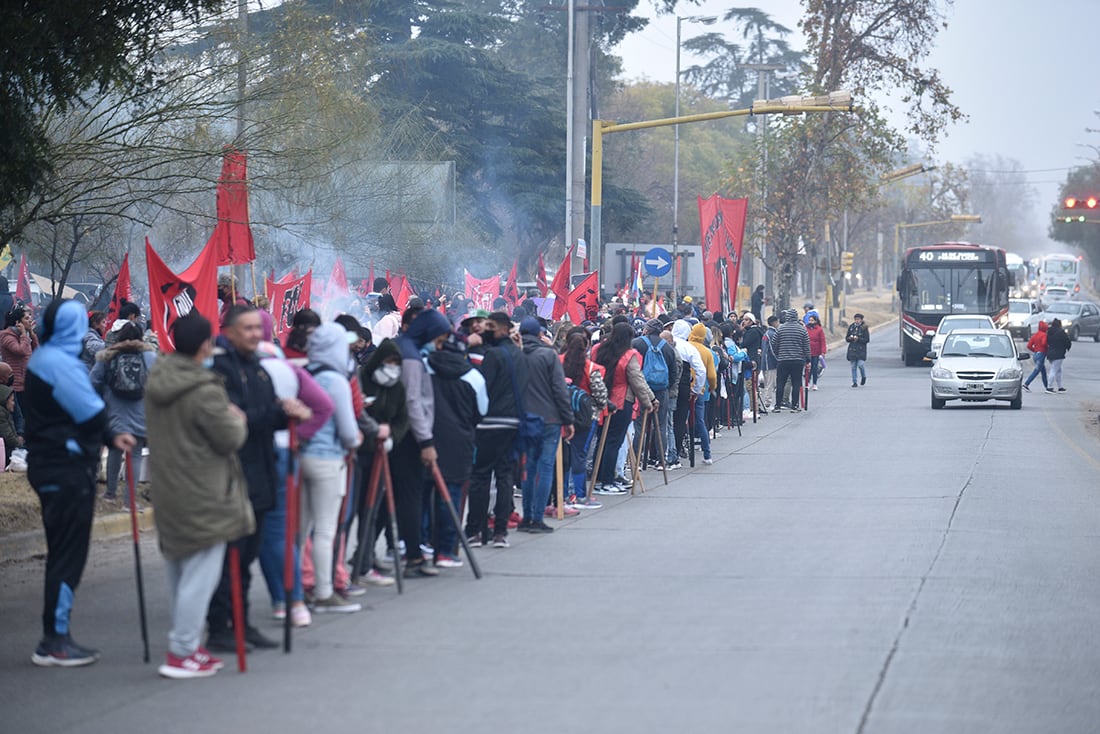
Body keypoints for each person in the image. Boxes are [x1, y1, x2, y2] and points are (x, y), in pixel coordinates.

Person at [24, 299, 137, 667]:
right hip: (66, 469)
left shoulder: (44, 357)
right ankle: (55, 640)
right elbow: (90, 413)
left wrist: (110, 435)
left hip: (51, 465)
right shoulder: (60, 364)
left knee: (62, 552)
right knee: (68, 555)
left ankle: (54, 637)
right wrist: (108, 431)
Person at [145, 311, 253, 679]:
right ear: (205, 344)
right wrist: (236, 417)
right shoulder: (204, 389)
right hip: (203, 491)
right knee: (200, 576)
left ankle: (187, 645)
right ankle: (181, 651)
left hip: (169, 487)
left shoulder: (159, 377)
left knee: (180, 571)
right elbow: (230, 438)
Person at [206, 305, 311, 652]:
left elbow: (265, 417)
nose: (254, 333)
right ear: (230, 330)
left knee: (247, 556)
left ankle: (242, 620)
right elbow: (236, 421)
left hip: (263, 469)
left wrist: (287, 414)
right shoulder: (220, 370)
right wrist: (276, 413)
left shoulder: (259, 369)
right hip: (235, 474)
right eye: (246, 328)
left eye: (257, 328)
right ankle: (220, 627)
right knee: (230, 556)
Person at [300, 323, 365, 612]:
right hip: (329, 459)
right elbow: (349, 430)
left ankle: (296, 590)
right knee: (326, 530)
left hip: (300, 456)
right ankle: (324, 592)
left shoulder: (303, 372)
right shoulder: (336, 380)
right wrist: (357, 438)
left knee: (300, 532)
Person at [393, 307, 453, 576]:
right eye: (438, 340)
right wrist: (426, 442)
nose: (439, 346)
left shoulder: (404, 348)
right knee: (410, 497)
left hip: (402, 434)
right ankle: (414, 557)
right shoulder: (411, 357)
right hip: (409, 438)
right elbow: (412, 401)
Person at [424, 329, 486, 566]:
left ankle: (422, 544)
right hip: (459, 441)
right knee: (452, 494)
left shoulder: (424, 367)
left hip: (426, 438)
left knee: (423, 494)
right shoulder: (474, 377)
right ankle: (446, 550)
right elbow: (481, 410)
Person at [465, 312, 526, 547]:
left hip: (490, 423)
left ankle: (475, 530)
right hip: (513, 424)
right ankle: (500, 532)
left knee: (480, 476)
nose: (484, 329)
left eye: (490, 325)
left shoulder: (493, 355)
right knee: (504, 477)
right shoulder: (518, 355)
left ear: (502, 329)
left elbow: (483, 388)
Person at [89, 321, 156, 504]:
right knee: (134, 454)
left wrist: (104, 397)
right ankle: (130, 501)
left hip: (114, 411)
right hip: (141, 411)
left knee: (115, 450)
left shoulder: (108, 356)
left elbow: (93, 381)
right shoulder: (149, 356)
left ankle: (110, 493)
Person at [518, 316, 576, 526]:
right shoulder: (549, 355)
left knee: (529, 467)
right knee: (545, 466)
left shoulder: (515, 355)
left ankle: (527, 516)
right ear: (540, 334)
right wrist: (568, 419)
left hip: (524, 418)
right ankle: (537, 518)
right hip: (549, 418)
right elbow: (560, 390)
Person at [592, 321, 655, 491]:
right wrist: (648, 401)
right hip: (621, 401)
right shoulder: (629, 355)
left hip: (601, 398)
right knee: (614, 441)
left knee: (602, 440)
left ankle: (597, 478)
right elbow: (637, 380)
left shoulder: (599, 350)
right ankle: (607, 481)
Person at [632, 318, 679, 469]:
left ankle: (636, 460)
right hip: (661, 390)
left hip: (641, 389)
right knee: (661, 425)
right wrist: (666, 386)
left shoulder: (637, 343)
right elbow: (674, 372)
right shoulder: (667, 347)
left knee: (639, 425)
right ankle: (661, 461)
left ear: (646, 329)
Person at [0, 303, 38, 435]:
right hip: (15, 384)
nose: (30, 321)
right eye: (27, 319)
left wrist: (32, 335)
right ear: (18, 322)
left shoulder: (25, 337)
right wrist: (23, 334)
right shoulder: (6, 336)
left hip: (26, 382)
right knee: (19, 416)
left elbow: (36, 351)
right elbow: (20, 351)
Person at [686, 323, 717, 464]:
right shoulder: (706, 352)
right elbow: (711, 375)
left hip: (684, 388)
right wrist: (712, 387)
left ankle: (681, 448)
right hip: (699, 390)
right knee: (700, 421)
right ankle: (707, 454)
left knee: (680, 420)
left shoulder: (685, 347)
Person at [772, 308, 810, 411]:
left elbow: (774, 343)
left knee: (780, 383)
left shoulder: (780, 329)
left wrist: (778, 354)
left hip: (783, 360)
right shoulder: (802, 329)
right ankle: (794, 405)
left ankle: (777, 405)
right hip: (798, 360)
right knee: (796, 383)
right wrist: (808, 360)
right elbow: (806, 346)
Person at [1045, 318, 1071, 393]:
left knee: (1058, 370)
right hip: (1059, 354)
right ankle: (1049, 387)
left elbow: (1048, 341)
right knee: (1054, 370)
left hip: (1050, 353)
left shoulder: (1049, 332)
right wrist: (1067, 347)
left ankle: (1060, 387)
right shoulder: (1061, 332)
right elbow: (1067, 341)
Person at [1022, 320, 1049, 392]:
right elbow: (1044, 343)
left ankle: (1047, 386)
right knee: (1036, 371)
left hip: (1036, 354)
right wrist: (1047, 348)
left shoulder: (1035, 335)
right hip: (1041, 354)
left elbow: (1029, 345)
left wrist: (1035, 350)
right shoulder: (1044, 335)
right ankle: (1026, 384)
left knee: (1043, 371)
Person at [845, 312, 870, 388]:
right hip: (852, 349)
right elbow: (847, 338)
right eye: (855, 319)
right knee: (853, 366)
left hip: (861, 349)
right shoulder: (851, 327)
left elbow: (867, 339)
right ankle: (854, 382)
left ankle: (863, 376)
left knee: (860, 364)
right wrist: (850, 338)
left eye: (858, 319)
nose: (857, 321)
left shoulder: (864, 328)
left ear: (861, 320)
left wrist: (858, 339)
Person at [806, 313, 827, 391]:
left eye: (812, 320)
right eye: (809, 320)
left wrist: (823, 351)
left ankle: (814, 383)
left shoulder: (819, 329)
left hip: (816, 351)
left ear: (815, 321)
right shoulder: (806, 328)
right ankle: (807, 382)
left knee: (814, 368)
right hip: (808, 351)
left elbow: (822, 340)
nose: (811, 322)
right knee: (808, 368)